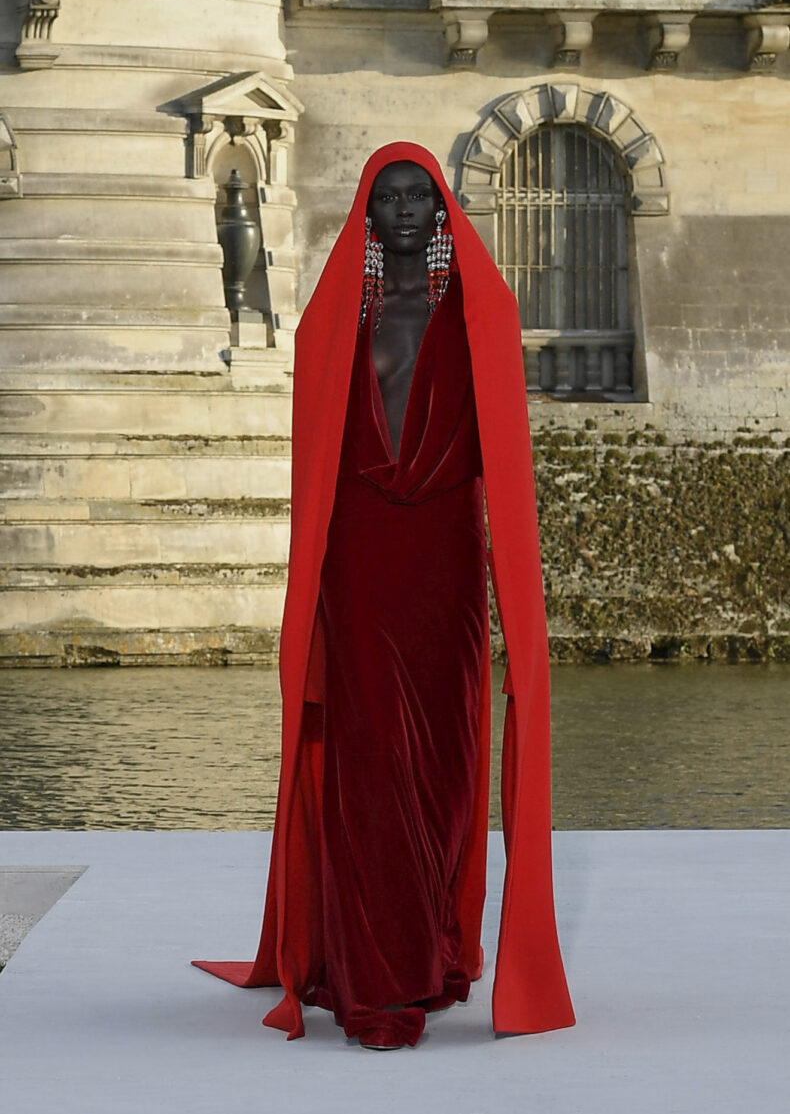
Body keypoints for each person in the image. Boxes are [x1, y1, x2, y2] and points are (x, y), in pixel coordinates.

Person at [193, 141, 575, 1050]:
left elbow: (503, 458)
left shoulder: (482, 313)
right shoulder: (332, 322)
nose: (404, 209)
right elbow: (317, 461)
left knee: (442, 765)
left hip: (445, 565)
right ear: (366, 213)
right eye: (388, 196)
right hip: (360, 563)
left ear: (442, 211)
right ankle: (379, 980)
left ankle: (431, 947)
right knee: (369, 762)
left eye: (419, 195)